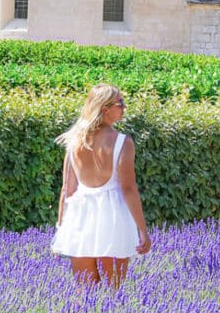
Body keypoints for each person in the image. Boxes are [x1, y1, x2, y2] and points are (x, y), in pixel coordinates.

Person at [51, 83, 151, 288]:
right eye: (120, 103)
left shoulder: (75, 142)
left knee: (84, 292)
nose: (124, 107)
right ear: (105, 108)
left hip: (79, 218)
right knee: (112, 293)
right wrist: (142, 230)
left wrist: (61, 227)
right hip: (112, 217)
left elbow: (67, 190)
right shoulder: (123, 142)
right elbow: (129, 188)